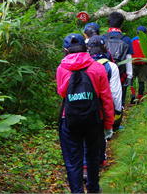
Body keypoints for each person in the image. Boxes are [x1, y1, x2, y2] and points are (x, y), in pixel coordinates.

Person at [56, 33, 114, 193]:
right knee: (93, 157)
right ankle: (93, 189)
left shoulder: (62, 68)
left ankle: (77, 191)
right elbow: (106, 98)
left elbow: (62, 92)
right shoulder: (97, 67)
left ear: (65, 50)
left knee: (73, 160)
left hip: (69, 120)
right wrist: (109, 124)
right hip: (94, 120)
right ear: (85, 48)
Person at [85, 35, 122, 171]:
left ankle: (85, 165)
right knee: (100, 134)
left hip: (84, 105)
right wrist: (117, 111)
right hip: (102, 107)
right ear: (104, 48)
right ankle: (99, 160)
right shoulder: (110, 66)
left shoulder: (82, 64)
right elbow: (115, 93)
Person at [102, 12, 133, 130]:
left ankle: (105, 124)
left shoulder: (103, 38)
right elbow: (128, 59)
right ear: (122, 24)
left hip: (104, 74)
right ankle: (116, 125)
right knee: (120, 99)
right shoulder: (126, 39)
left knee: (104, 98)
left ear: (109, 23)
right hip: (122, 74)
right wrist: (129, 76)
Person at [131, 26, 147, 102]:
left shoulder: (132, 40)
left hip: (133, 62)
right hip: (143, 63)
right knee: (141, 81)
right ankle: (140, 97)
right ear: (145, 33)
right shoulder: (146, 40)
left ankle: (132, 96)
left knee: (131, 81)